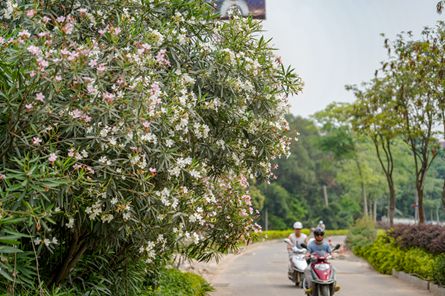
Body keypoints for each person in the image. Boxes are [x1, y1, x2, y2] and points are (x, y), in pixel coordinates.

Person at [304, 227, 331, 292]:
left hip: (324, 263)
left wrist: (333, 254)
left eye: (321, 234)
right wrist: (307, 255)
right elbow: (308, 252)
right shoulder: (311, 244)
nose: (319, 236)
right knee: (307, 270)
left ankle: (333, 284)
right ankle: (310, 287)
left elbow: (330, 252)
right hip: (314, 263)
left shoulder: (326, 244)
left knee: (333, 269)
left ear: (323, 235)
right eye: (317, 234)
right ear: (315, 235)